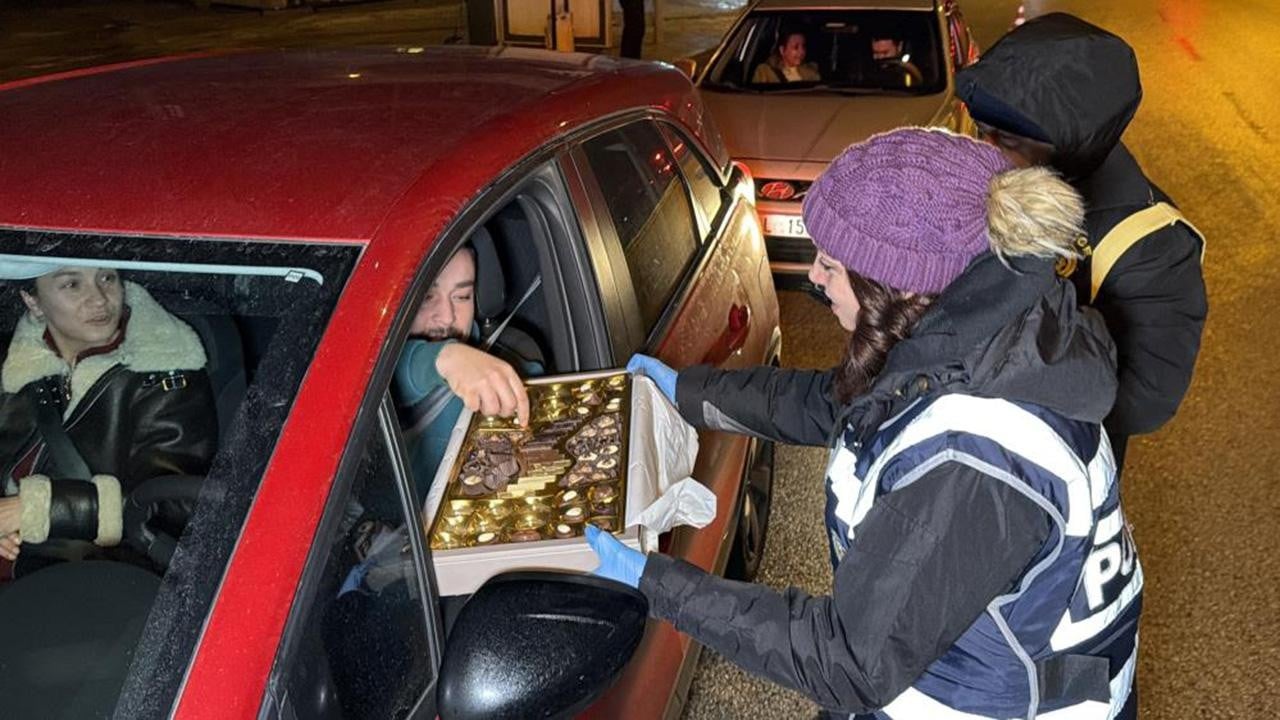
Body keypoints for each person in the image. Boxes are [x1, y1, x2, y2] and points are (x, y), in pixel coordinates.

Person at [588, 128, 1143, 718]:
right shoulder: (975, 337)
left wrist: (658, 584)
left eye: (832, 264)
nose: (815, 279)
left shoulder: (974, 456)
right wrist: (687, 393)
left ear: (902, 284)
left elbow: (848, 661)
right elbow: (837, 405)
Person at [955, 12, 1208, 468]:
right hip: (958, 453)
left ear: (1067, 144)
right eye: (980, 130)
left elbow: (1147, 400)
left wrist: (991, 367)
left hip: (1055, 477)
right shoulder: (998, 182)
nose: (984, 149)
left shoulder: (1150, 245)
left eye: (1005, 137)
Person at [0, 262, 216, 573]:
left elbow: (174, 503)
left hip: (97, 573)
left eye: (107, 278)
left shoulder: (166, 373)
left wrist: (36, 510)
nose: (100, 298)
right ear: (33, 302)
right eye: (72, 285)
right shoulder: (12, 363)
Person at [392, 246, 532, 497]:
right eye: (426, 297)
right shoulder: (367, 369)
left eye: (462, 296)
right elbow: (398, 371)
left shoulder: (516, 370)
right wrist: (447, 357)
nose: (446, 317)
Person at [752, 30, 820, 83]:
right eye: (796, 47)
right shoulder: (764, 72)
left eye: (803, 47)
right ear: (782, 50)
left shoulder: (812, 72)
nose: (801, 52)